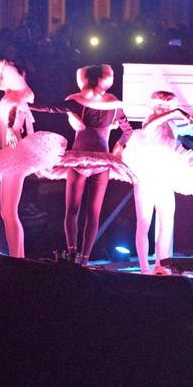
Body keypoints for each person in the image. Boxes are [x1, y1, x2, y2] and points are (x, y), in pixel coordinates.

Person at [31, 65, 132, 265]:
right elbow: (128, 130)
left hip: (80, 160)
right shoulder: (114, 107)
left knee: (73, 209)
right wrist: (119, 145)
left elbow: (50, 107)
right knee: (92, 212)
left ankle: (73, 254)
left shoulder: (79, 103)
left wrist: (27, 104)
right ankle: (83, 258)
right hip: (102, 162)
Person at [0, 59, 67, 258]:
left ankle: (18, 258)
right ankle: (18, 256)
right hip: (9, 157)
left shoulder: (16, 100)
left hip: (14, 158)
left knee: (9, 211)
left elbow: (16, 111)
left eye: (2, 75)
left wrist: (9, 126)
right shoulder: (9, 97)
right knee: (6, 212)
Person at [122, 91, 193, 274]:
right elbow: (151, 127)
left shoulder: (171, 124)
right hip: (147, 177)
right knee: (144, 222)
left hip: (164, 177)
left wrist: (190, 120)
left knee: (166, 222)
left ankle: (161, 265)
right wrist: (176, 111)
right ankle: (145, 268)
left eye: (167, 106)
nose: (164, 110)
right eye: (161, 106)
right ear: (154, 106)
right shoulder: (149, 121)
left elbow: (180, 129)